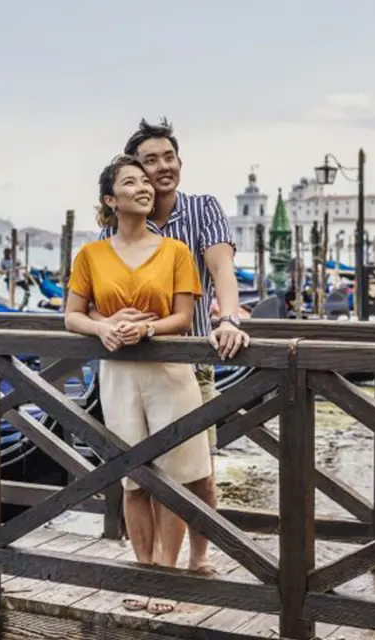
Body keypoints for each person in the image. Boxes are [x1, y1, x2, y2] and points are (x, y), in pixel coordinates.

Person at [92, 118, 249, 577]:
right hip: (130, 366)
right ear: (132, 171)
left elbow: (221, 268)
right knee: (137, 474)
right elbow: (95, 299)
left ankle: (198, 560)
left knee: (197, 474)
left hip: (189, 360)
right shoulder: (115, 228)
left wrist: (230, 318)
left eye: (168, 157)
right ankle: (154, 567)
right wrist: (106, 325)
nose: (161, 168)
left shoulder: (201, 209)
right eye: (149, 161)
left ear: (179, 161)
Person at [64, 155, 210, 615]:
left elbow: (183, 318)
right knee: (133, 481)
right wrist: (103, 328)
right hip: (119, 375)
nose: (145, 187)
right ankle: (143, 571)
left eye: (146, 182)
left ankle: (165, 580)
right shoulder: (90, 255)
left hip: (169, 372)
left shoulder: (175, 252)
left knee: (173, 479)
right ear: (111, 199)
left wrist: (146, 330)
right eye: (131, 182)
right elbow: (71, 315)